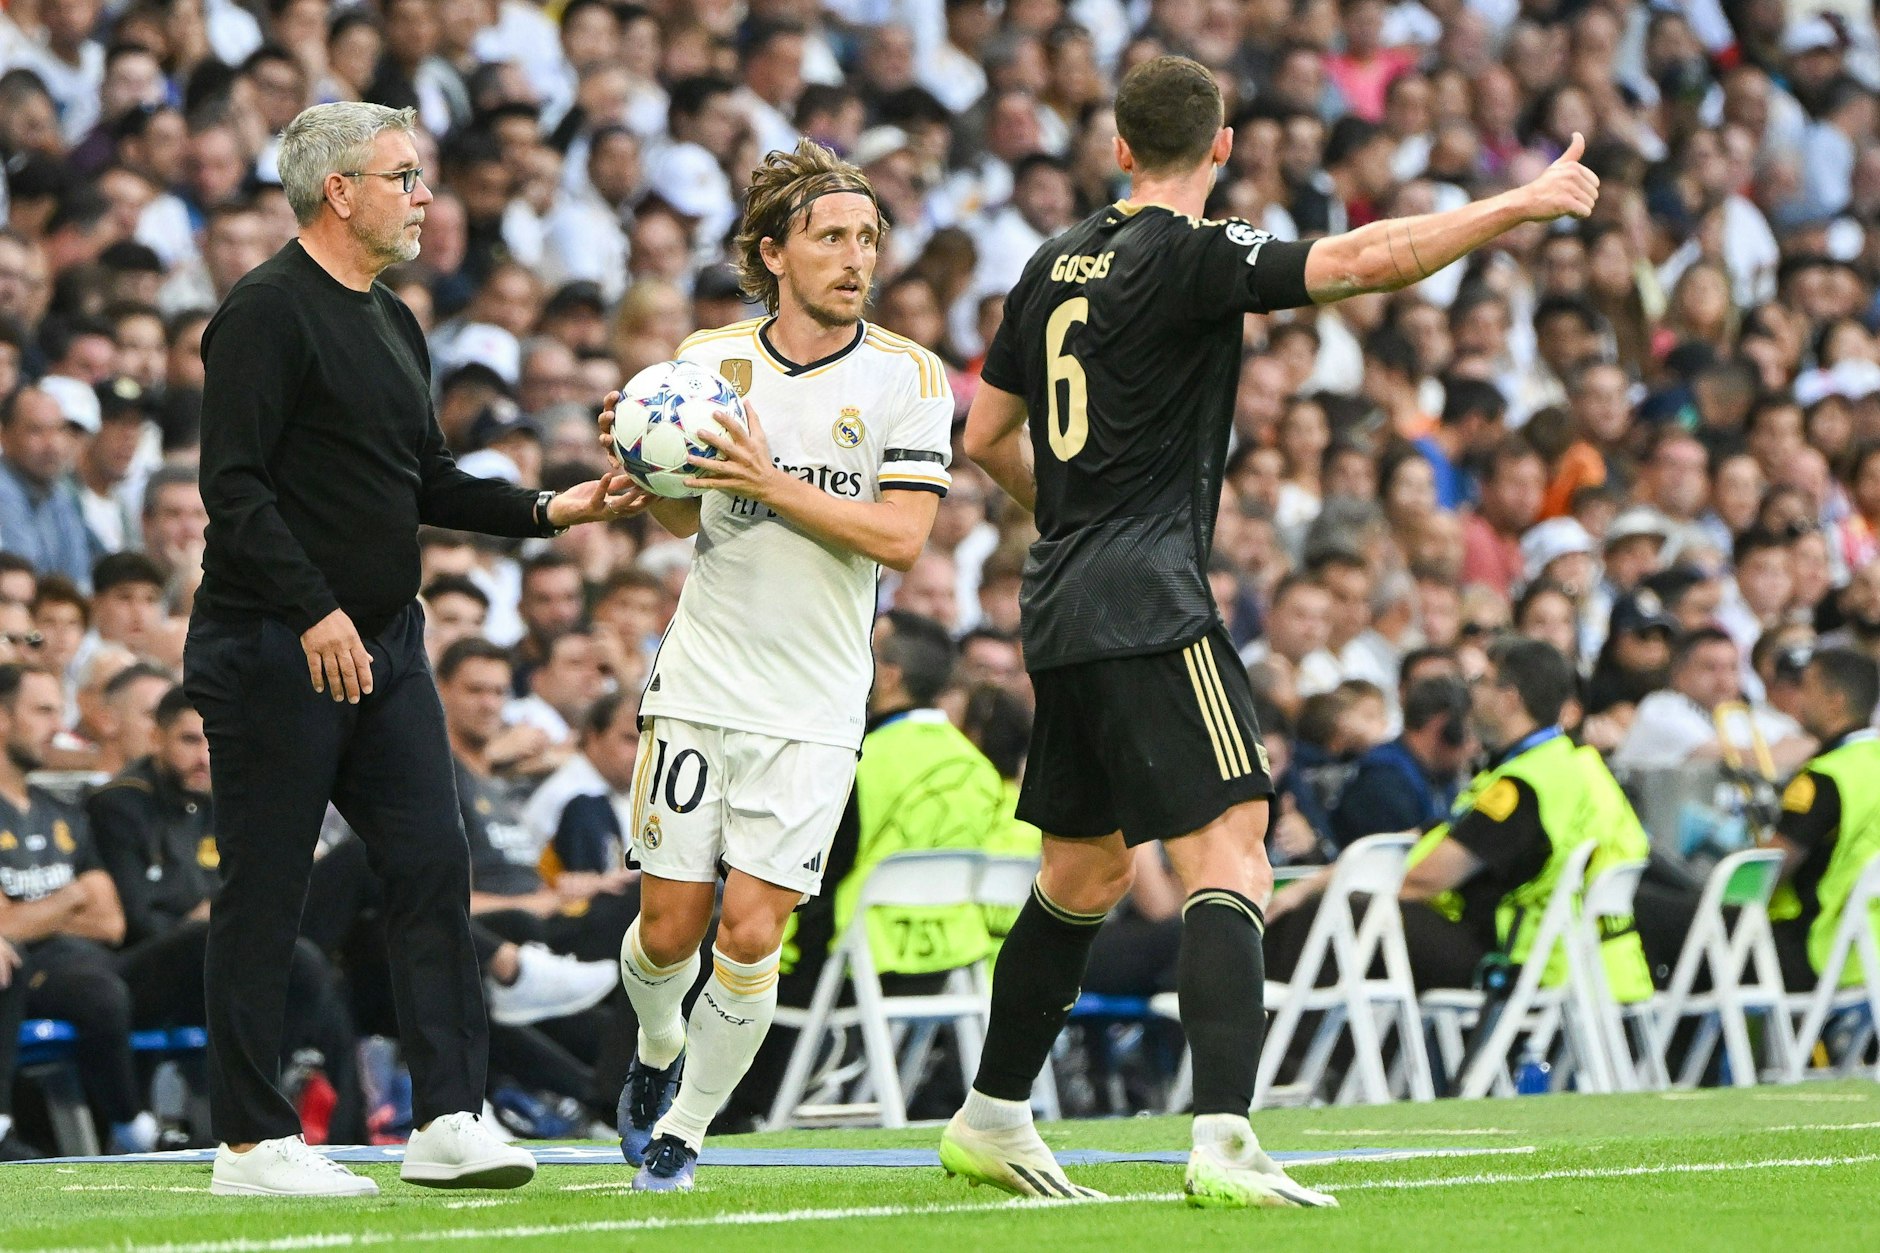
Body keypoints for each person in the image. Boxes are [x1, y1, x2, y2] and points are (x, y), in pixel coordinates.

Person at [947, 53, 1598, 1207]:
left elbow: (987, 430)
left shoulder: (1051, 261)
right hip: (1150, 592)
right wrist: (1515, 204)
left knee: (1083, 866)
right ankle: (1224, 1137)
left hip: (1059, 594)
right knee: (1232, 849)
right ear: (1223, 147)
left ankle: (991, 1114)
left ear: (1113, 147)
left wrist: (1072, 512)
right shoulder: (1195, 249)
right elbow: (1358, 261)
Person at [183, 102, 637, 1199]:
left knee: (435, 866)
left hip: (386, 642)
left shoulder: (393, 318)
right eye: (404, 175)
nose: (426, 195)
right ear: (339, 190)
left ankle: (448, 1114)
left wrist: (547, 506)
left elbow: (424, 477)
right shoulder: (264, 311)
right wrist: (311, 610)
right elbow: (231, 487)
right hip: (275, 642)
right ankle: (249, 1140)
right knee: (267, 886)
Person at [602, 138, 951, 1193]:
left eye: (867, 238)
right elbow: (676, 518)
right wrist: (640, 464)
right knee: (668, 929)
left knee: (752, 927)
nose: (856, 257)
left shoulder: (907, 377)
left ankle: (688, 1129)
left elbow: (899, 538)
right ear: (773, 252)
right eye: (831, 237)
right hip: (702, 677)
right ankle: (657, 1047)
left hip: (813, 700)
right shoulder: (707, 361)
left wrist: (769, 477)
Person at [1267, 638, 1653, 1004]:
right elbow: (1432, 834)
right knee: (1340, 908)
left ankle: (1292, 1059)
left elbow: (1428, 877)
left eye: (1481, 681)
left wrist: (1322, 890)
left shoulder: (1523, 787)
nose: (1471, 693)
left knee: (1337, 912)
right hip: (1550, 951)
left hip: (1509, 956)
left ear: (1510, 698)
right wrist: (1316, 882)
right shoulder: (1560, 764)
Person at [89, 686, 369, 1144]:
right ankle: (273, 1110)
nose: (204, 756)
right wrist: (216, 914)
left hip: (234, 953)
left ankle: (345, 1141)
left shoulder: (226, 801)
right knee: (294, 959)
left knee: (350, 880)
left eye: (212, 743)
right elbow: (138, 923)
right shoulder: (120, 805)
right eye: (188, 741)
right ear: (156, 738)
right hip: (152, 967)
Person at [0, 663, 152, 1156]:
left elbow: (110, 922)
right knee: (98, 993)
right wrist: (67, 899)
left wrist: (31, 913)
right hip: (32, 972)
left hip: (89, 963)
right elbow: (5, 927)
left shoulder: (62, 809)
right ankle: (133, 1132)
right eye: (42, 711)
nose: (57, 727)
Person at [1768, 648, 1880, 992]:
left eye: (1807, 686)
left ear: (1835, 701)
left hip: (1817, 950)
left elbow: (1771, 868)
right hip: (1869, 952)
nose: (1799, 697)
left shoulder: (1827, 776)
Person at [1330, 675, 1474, 850]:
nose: (1473, 746)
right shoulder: (1383, 783)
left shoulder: (1439, 777)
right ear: (1439, 726)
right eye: (1467, 733)